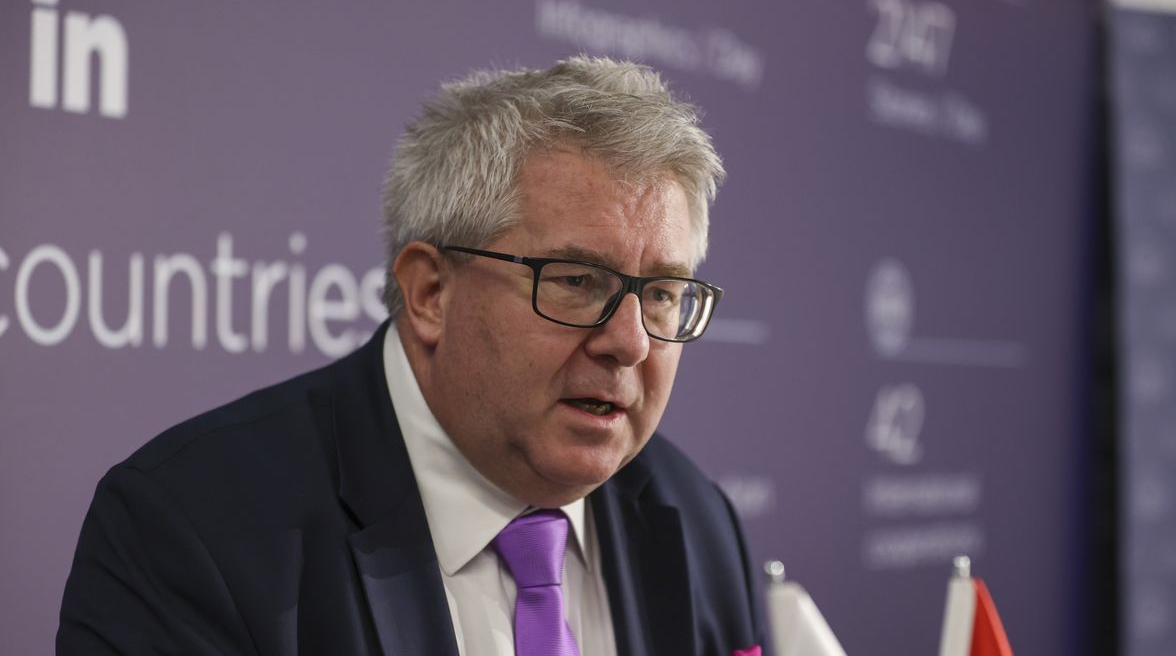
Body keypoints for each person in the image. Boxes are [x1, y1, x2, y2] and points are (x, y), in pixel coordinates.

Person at [58, 56, 768, 656]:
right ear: (429, 290)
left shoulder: (697, 520)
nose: (632, 342)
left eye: (664, 294)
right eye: (577, 282)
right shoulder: (190, 529)